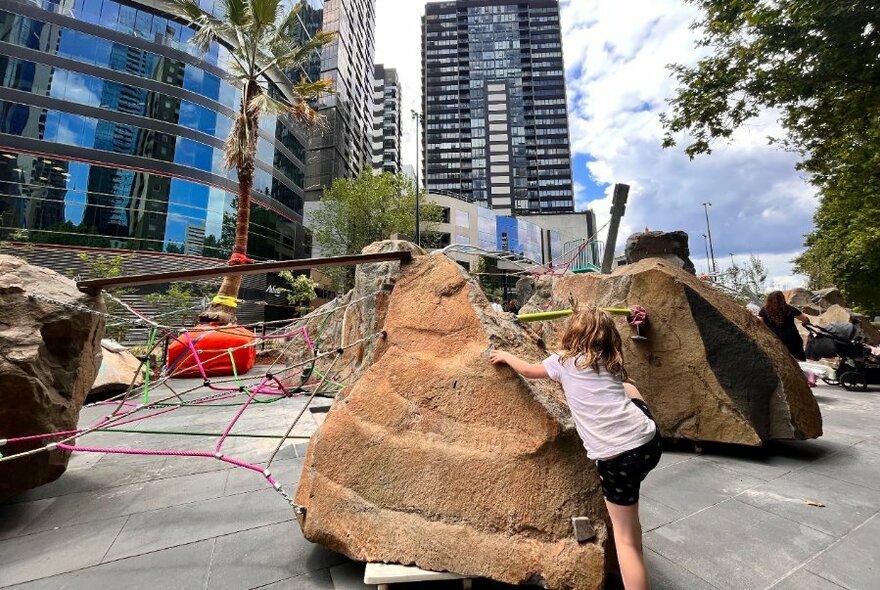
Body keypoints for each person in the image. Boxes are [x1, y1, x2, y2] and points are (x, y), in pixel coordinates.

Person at [489, 308, 661, 590]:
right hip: (648, 444)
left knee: (624, 538)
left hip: (616, 458)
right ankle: (633, 551)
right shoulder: (610, 361)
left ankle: (631, 564)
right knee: (630, 390)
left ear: (573, 334)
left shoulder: (562, 362)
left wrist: (506, 356)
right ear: (609, 339)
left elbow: (530, 371)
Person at [758, 291, 811, 361]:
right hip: (793, 339)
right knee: (799, 360)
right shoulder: (790, 309)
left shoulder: (764, 310)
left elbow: (759, 322)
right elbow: (805, 318)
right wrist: (805, 323)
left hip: (775, 339)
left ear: (769, 300)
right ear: (783, 299)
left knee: (781, 361)